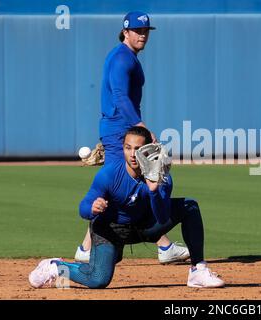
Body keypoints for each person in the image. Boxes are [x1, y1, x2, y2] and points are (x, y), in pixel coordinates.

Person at [29, 126, 225, 289]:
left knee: (189, 206)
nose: (132, 154)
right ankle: (55, 266)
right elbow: (83, 207)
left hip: (145, 226)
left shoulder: (161, 176)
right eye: (127, 148)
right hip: (110, 230)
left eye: (137, 148)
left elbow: (163, 217)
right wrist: (93, 208)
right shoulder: (110, 174)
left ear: (149, 149)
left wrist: (154, 191)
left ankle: (197, 271)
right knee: (98, 279)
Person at [75, 11, 190, 264]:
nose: (143, 35)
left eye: (146, 31)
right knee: (134, 181)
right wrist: (138, 125)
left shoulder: (126, 57)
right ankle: (162, 245)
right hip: (120, 129)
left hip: (118, 128)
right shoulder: (121, 58)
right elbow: (119, 95)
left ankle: (85, 248)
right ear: (125, 32)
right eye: (138, 30)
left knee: (129, 184)